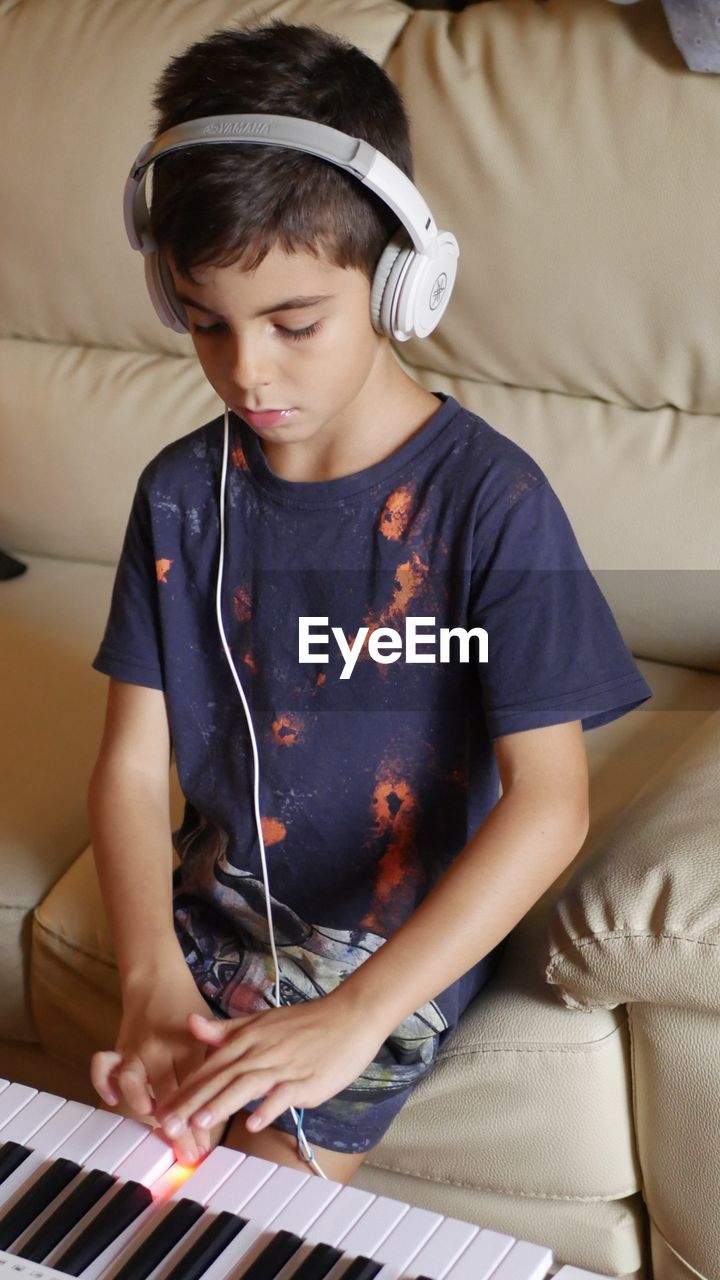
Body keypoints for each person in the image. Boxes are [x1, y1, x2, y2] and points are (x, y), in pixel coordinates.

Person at [88, 19, 652, 1185]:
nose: (247, 370)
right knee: (106, 1178)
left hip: (387, 952)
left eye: (295, 323)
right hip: (206, 927)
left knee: (251, 1195)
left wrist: (354, 1014)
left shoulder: (492, 498)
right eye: (204, 320)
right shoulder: (183, 495)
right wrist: (148, 975)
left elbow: (550, 803)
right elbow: (134, 767)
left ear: (400, 280)